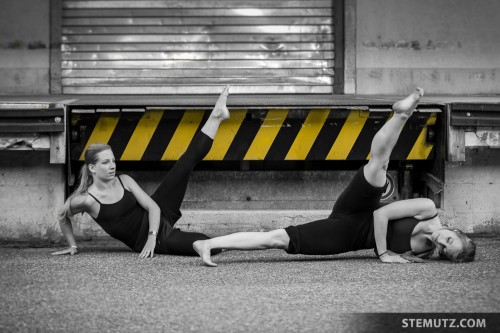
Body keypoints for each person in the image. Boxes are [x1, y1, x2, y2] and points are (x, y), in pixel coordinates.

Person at [193, 88, 476, 266]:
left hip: (346, 232)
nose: (441, 244)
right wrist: (384, 254)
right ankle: (402, 114)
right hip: (360, 209)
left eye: (445, 252)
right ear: (455, 231)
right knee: (378, 165)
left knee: (277, 240)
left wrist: (396, 253)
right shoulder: (428, 211)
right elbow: (381, 217)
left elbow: (395, 240)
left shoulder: (425, 252)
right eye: (449, 241)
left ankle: (209, 243)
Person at [52, 86, 231, 258]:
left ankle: (216, 116)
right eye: (105, 163)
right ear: (92, 168)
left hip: (159, 213)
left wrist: (152, 236)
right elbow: (62, 215)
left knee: (184, 163)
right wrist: (72, 245)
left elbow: (152, 206)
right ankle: (246, 241)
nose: (112, 166)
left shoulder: (124, 180)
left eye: (113, 161)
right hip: (155, 238)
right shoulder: (86, 200)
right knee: (209, 245)